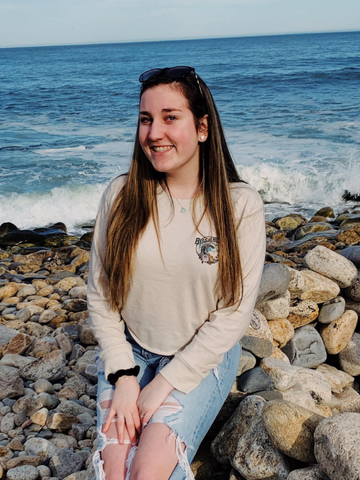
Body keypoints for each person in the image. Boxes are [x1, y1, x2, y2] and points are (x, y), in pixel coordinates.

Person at [87, 66, 266, 480]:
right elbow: (101, 295)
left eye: (170, 117)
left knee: (146, 473)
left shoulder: (239, 205)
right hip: (129, 349)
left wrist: (163, 384)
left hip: (201, 358)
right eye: (146, 119)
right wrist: (124, 378)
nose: (154, 133)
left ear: (202, 127)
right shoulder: (120, 195)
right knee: (114, 470)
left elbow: (233, 314)